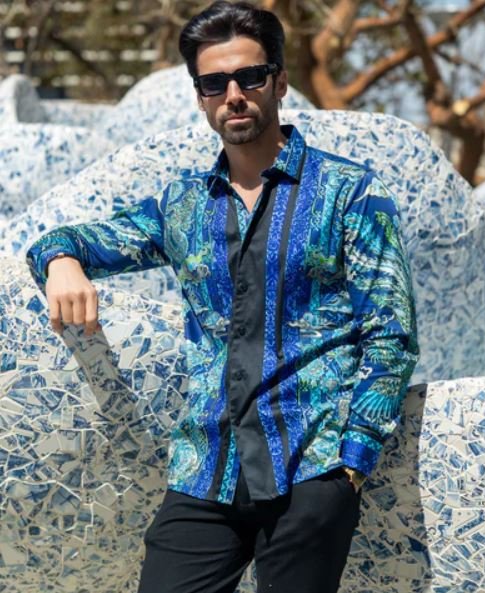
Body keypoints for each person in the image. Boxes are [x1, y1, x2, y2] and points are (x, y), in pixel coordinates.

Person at [26, 2, 419, 592]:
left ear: (279, 82)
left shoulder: (349, 192)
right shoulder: (183, 205)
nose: (233, 95)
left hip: (311, 469)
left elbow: (391, 334)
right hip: (206, 472)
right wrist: (60, 262)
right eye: (214, 83)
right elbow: (70, 239)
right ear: (200, 96)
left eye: (249, 77)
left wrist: (351, 467)